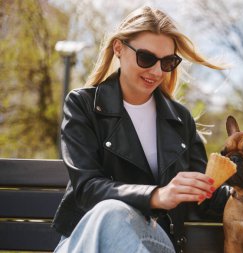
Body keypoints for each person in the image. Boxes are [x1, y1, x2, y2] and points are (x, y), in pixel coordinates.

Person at [52, 6, 230, 253]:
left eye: (167, 62)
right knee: (111, 212)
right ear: (118, 48)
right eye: (146, 58)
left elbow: (205, 194)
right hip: (82, 240)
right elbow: (87, 187)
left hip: (152, 239)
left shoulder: (181, 120)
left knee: (112, 213)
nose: (157, 72)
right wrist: (157, 195)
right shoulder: (83, 106)